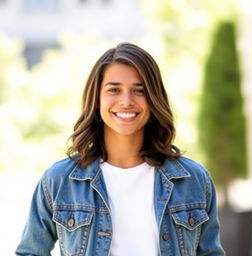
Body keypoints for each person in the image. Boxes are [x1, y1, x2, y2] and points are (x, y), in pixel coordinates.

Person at [16, 42, 225, 256]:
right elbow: (30, 252)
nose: (126, 101)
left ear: (154, 99)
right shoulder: (60, 180)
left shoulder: (193, 180)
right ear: (96, 99)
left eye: (139, 90)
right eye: (114, 90)